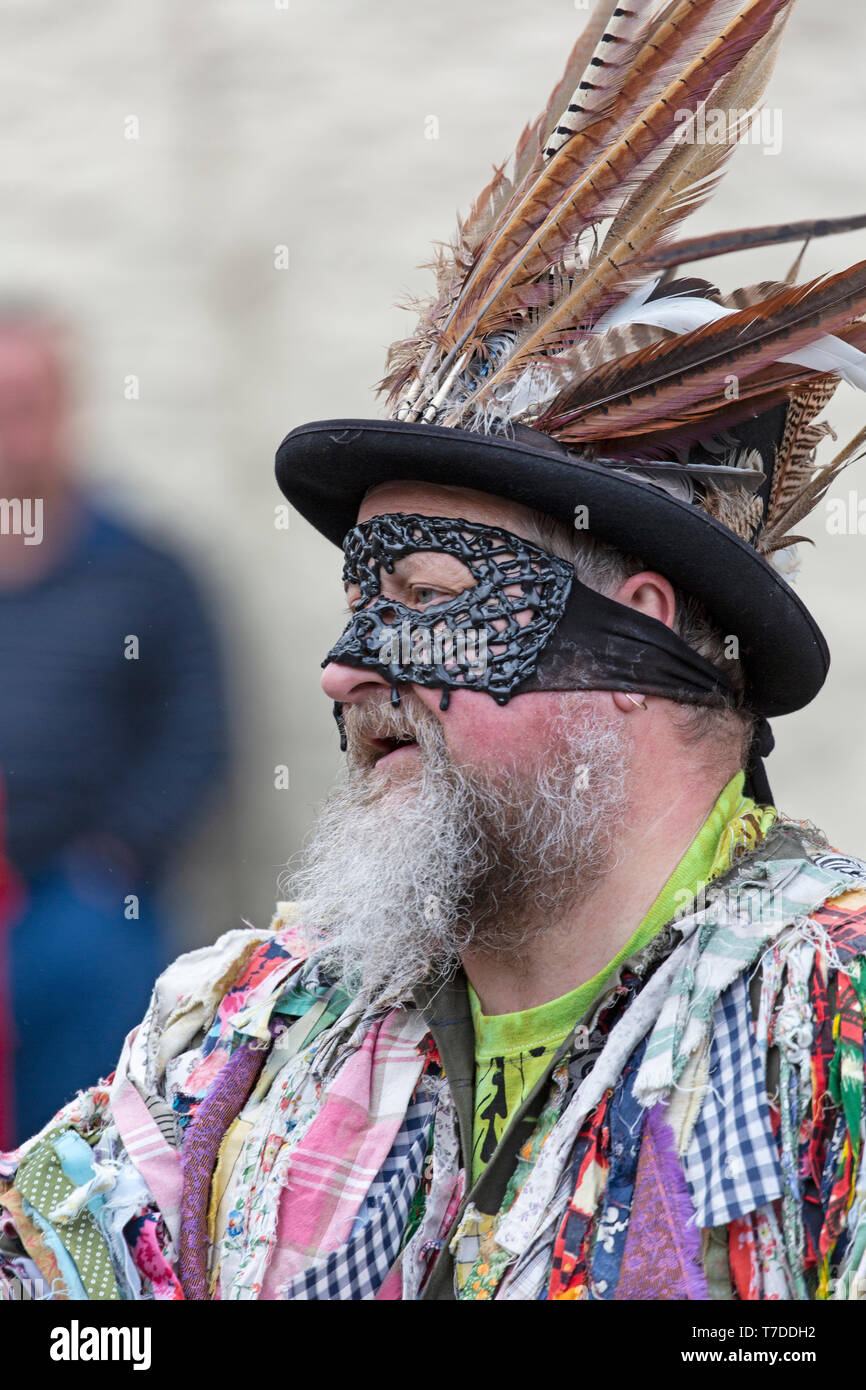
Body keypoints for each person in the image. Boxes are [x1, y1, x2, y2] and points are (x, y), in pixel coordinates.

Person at [2, 0, 866, 1301]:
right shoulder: (254, 1025)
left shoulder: (825, 1034)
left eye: (423, 595)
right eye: (357, 599)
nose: (343, 668)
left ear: (634, 628)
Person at [0, 308, 228, 1143]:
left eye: (29, 405)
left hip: (78, 896)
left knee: (81, 1129)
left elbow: (198, 738)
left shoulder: (145, 574)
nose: (13, 433)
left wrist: (116, 858)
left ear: (67, 410)